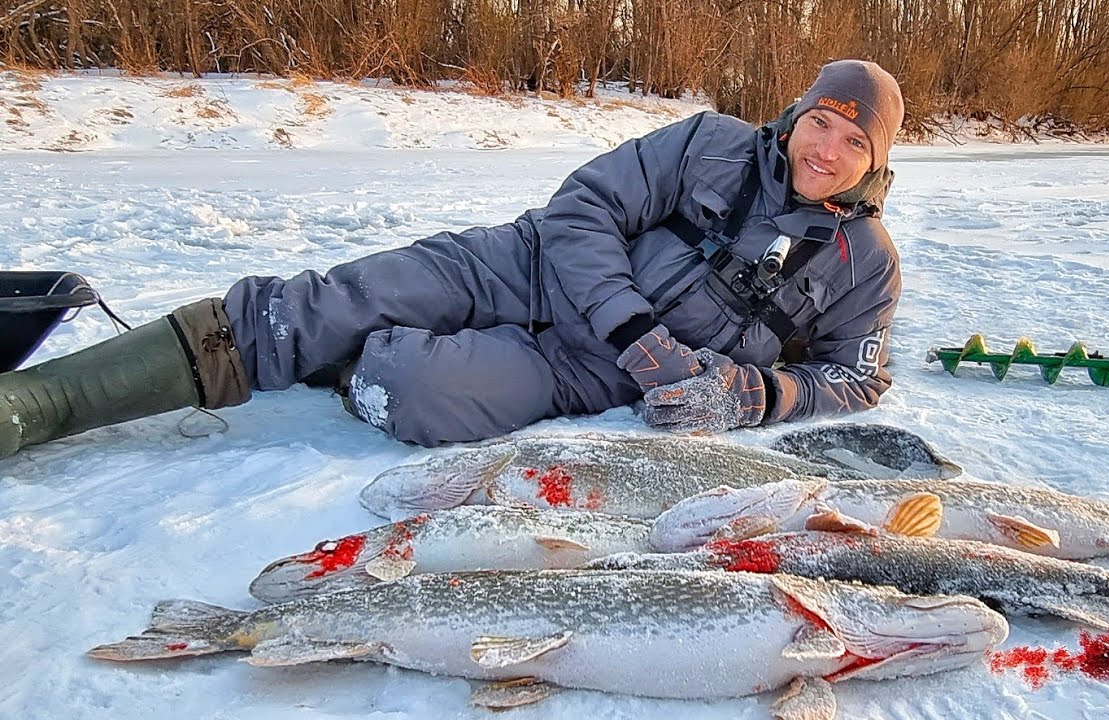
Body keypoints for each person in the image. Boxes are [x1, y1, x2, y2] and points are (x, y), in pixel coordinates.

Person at [0, 59, 904, 460]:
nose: (825, 148)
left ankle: (346, 366)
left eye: (851, 142)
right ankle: (40, 404)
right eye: (820, 121)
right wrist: (639, 332)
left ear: (875, 164)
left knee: (418, 396)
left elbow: (856, 380)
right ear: (798, 114)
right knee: (332, 300)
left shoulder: (867, 264)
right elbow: (584, 206)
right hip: (526, 266)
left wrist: (766, 394)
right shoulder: (710, 141)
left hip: (579, 371)